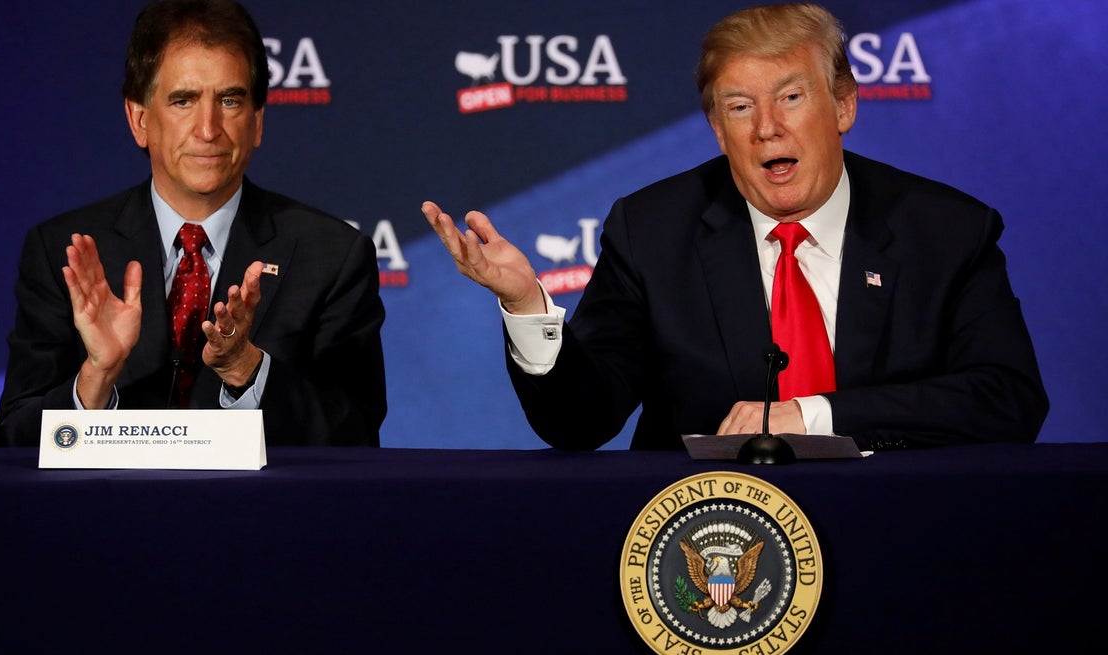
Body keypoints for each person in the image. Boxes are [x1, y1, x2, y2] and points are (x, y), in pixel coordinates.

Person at [422, 2, 1047, 452]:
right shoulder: (652, 229)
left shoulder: (945, 230)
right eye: (740, 108)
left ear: (844, 105)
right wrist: (527, 305)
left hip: (896, 528)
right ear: (719, 130)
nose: (767, 128)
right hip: (708, 553)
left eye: (792, 98)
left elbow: (1007, 399)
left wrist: (812, 416)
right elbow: (580, 423)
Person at [0, 0, 386, 447]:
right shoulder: (63, 252)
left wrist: (246, 371)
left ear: (257, 122)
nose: (208, 129)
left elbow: (356, 437)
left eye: (230, 100)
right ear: (140, 120)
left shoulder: (332, 255)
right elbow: (14, 440)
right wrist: (96, 376)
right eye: (183, 100)